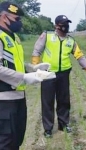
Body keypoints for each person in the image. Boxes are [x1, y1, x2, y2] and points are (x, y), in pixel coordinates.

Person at [31, 15, 86, 138]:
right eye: (63, 24)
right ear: (56, 26)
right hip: (48, 73)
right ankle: (48, 128)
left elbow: (80, 56)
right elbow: (37, 51)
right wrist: (35, 66)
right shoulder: (47, 36)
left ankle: (63, 124)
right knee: (47, 101)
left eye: (67, 24)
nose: (66, 26)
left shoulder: (71, 41)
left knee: (64, 100)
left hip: (64, 74)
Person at [0, 1, 51, 150]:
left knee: (16, 140)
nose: (19, 23)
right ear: (3, 17)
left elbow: (14, 64)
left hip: (18, 97)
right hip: (3, 101)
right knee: (5, 142)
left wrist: (33, 69)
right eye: (16, 19)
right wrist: (23, 77)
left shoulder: (13, 37)